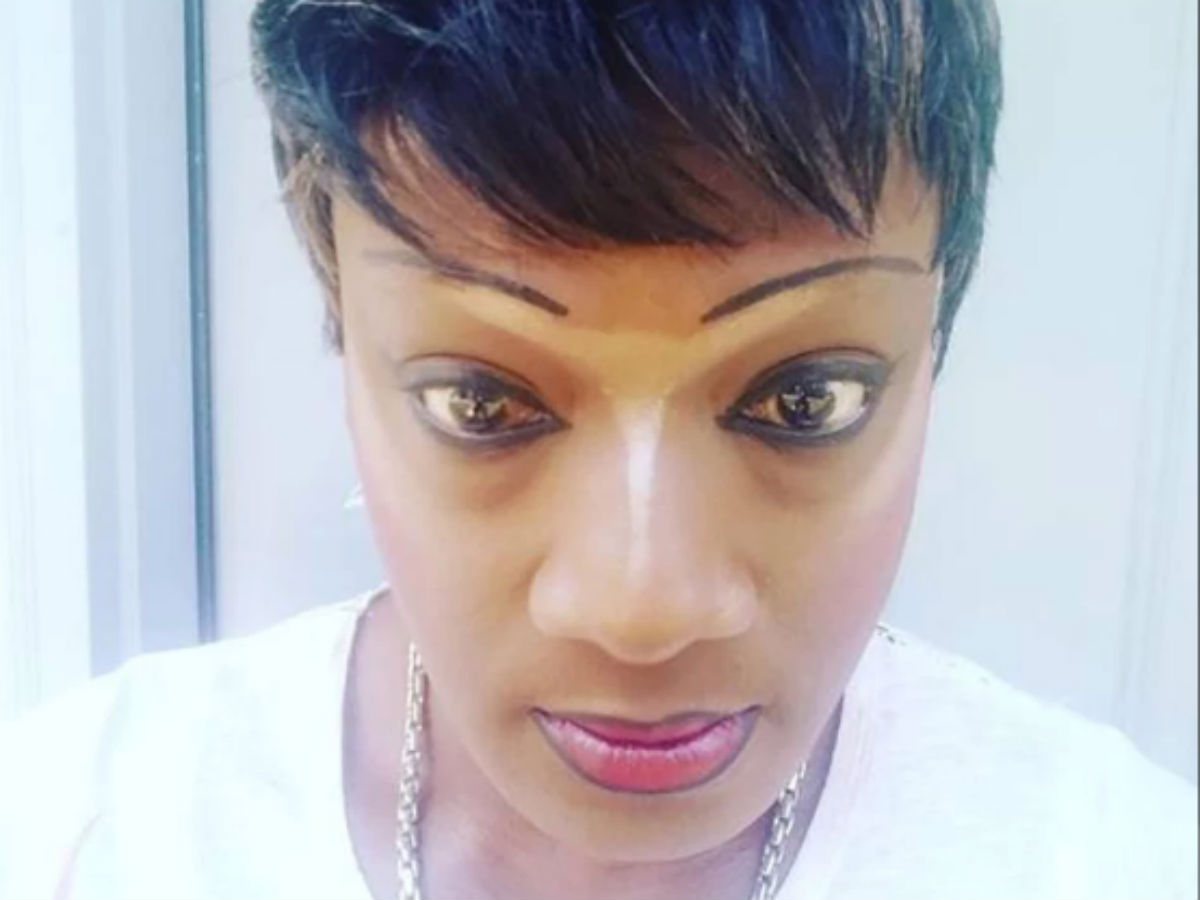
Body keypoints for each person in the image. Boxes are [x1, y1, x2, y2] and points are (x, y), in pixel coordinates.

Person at [1, 1, 1196, 898]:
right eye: (481, 402)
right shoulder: (77, 836)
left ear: (932, 351)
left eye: (803, 400)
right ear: (344, 338)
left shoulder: (1115, 862)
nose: (643, 608)